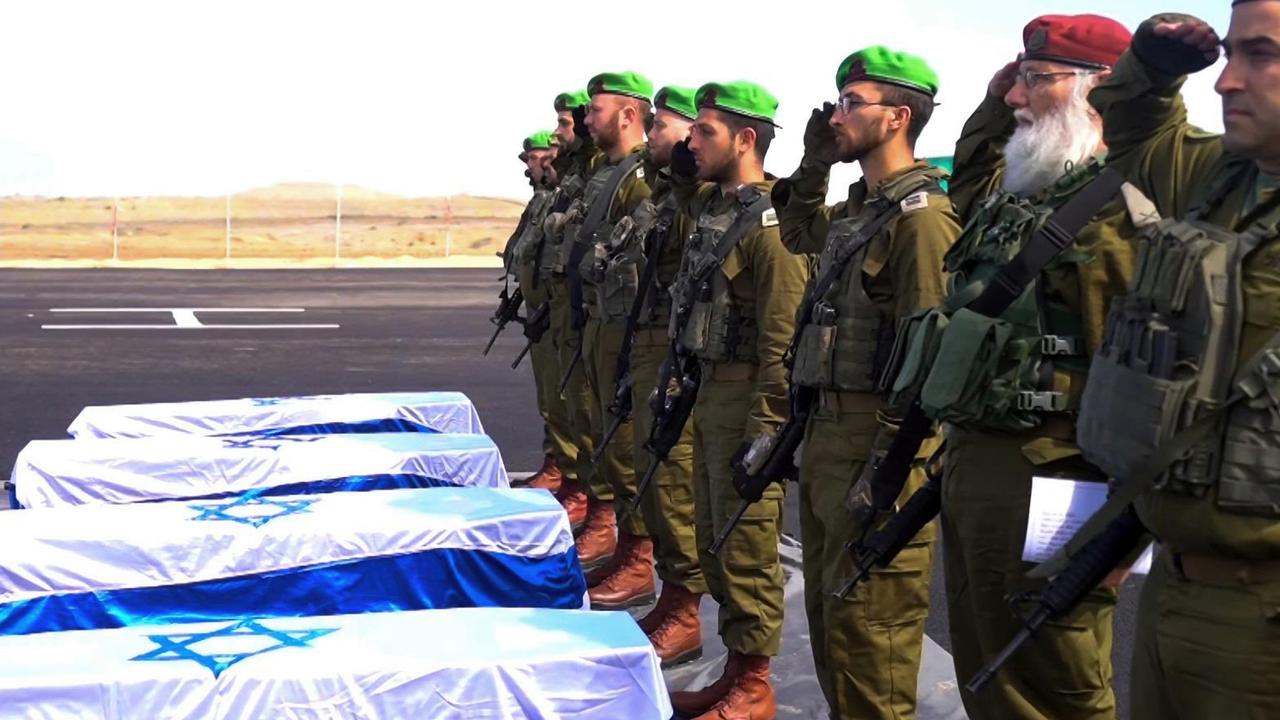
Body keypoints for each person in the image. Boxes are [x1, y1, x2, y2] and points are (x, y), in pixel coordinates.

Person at [887, 14, 1143, 720]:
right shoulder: (1031, 189)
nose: (1016, 98)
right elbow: (972, 177)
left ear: (1100, 91)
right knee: (983, 655)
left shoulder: (1125, 206)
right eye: (1017, 80)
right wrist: (992, 95)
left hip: (1059, 469)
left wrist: (1132, 518)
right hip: (982, 455)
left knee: (1055, 669)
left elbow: (1155, 377)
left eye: (1036, 79)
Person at [1077, 5, 1280, 717]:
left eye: (1262, 55)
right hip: (1176, 587)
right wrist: (1156, 71)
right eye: (1229, 54)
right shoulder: (1222, 179)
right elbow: (1133, 129)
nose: (1228, 81)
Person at [771, 47, 961, 720]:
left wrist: (888, 465)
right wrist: (816, 158)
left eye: (854, 103)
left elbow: (933, 357)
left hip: (881, 447)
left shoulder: (923, 220)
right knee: (832, 628)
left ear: (898, 118)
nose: (838, 113)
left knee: (871, 636)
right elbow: (794, 229)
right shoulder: (859, 211)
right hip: (828, 435)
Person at [665, 80, 809, 720]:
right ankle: (735, 670)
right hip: (708, 395)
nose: (691, 143)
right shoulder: (718, 210)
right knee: (712, 538)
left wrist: (766, 431)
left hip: (748, 401)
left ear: (745, 140)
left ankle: (754, 685)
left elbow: (782, 338)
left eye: (705, 133)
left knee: (746, 542)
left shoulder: (772, 225)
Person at [586, 84, 708, 667]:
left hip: (675, 349)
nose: (652, 135)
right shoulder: (661, 191)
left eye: (663, 126)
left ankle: (683, 608)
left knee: (672, 480)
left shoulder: (701, 200)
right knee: (648, 469)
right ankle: (660, 586)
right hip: (644, 337)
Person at [561, 72, 655, 571]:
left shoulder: (638, 180)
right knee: (597, 429)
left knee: (621, 441)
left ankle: (636, 554)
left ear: (627, 115)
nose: (585, 118)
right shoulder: (609, 173)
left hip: (623, 328)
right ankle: (607, 526)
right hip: (598, 321)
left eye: (595, 110)